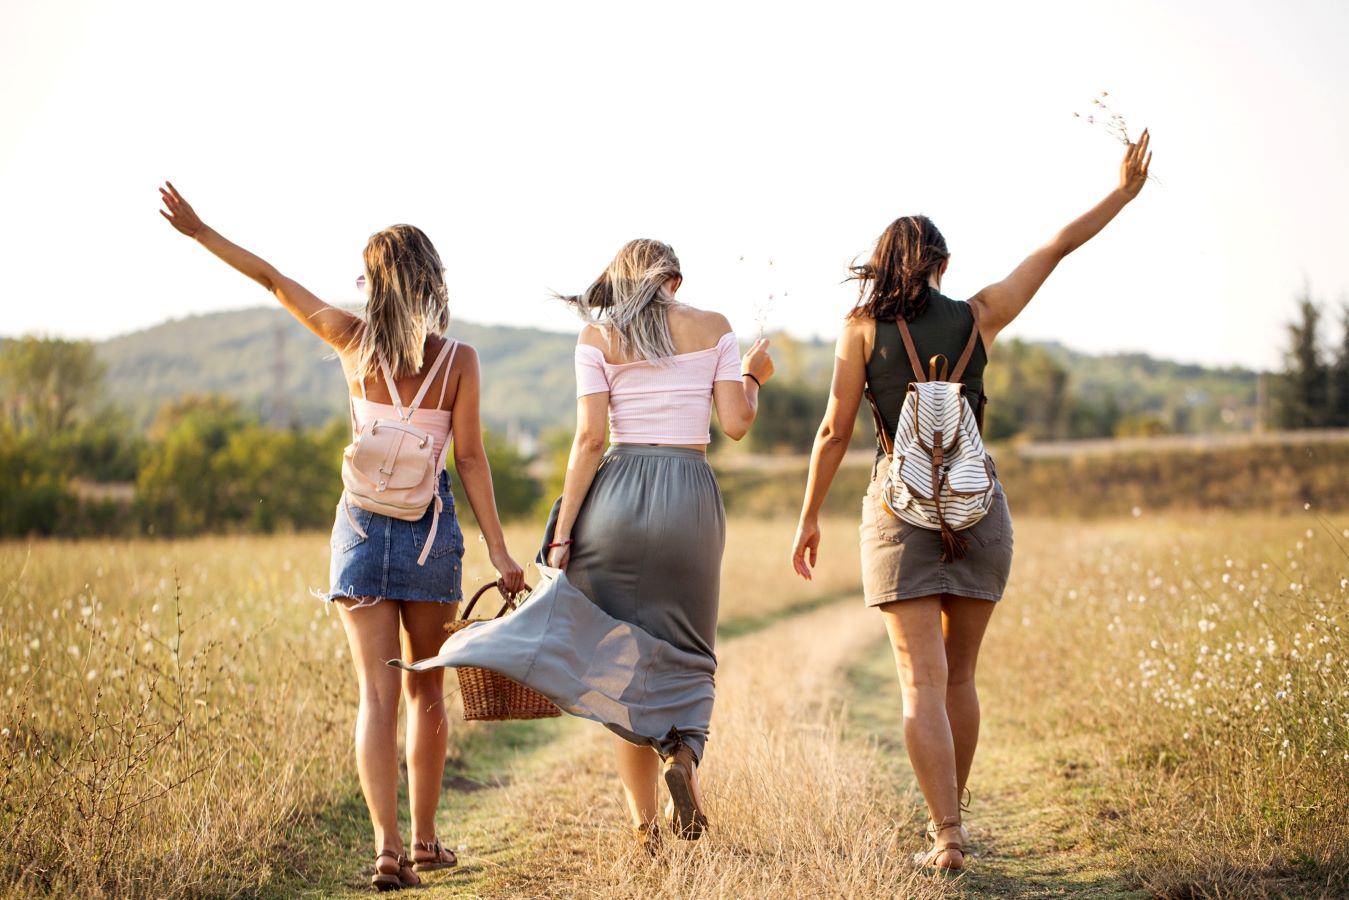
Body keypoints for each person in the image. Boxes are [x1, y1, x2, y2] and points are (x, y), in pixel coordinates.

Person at [789, 132, 1153, 871]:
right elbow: (1053, 249)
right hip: (978, 509)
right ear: (943, 266)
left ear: (882, 264)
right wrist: (1120, 193)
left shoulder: (859, 330)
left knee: (920, 683)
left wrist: (808, 518)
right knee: (959, 677)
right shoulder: (980, 314)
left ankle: (946, 835)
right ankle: (952, 826)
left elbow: (833, 431)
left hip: (898, 515)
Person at [158, 184, 526, 890]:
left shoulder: (350, 342)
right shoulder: (459, 362)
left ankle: (386, 849)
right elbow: (471, 459)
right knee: (424, 691)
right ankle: (424, 842)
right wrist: (501, 553)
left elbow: (272, 280)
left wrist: (201, 231)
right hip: (428, 539)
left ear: (375, 285)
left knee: (375, 697)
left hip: (358, 534)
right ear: (431, 281)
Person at [395, 238, 773, 851]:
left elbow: (590, 440)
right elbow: (735, 423)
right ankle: (683, 753)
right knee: (691, 651)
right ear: (673, 281)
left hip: (615, 500)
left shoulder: (597, 337)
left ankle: (645, 829)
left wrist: (563, 532)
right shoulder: (716, 327)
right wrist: (754, 375)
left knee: (622, 659)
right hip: (690, 499)